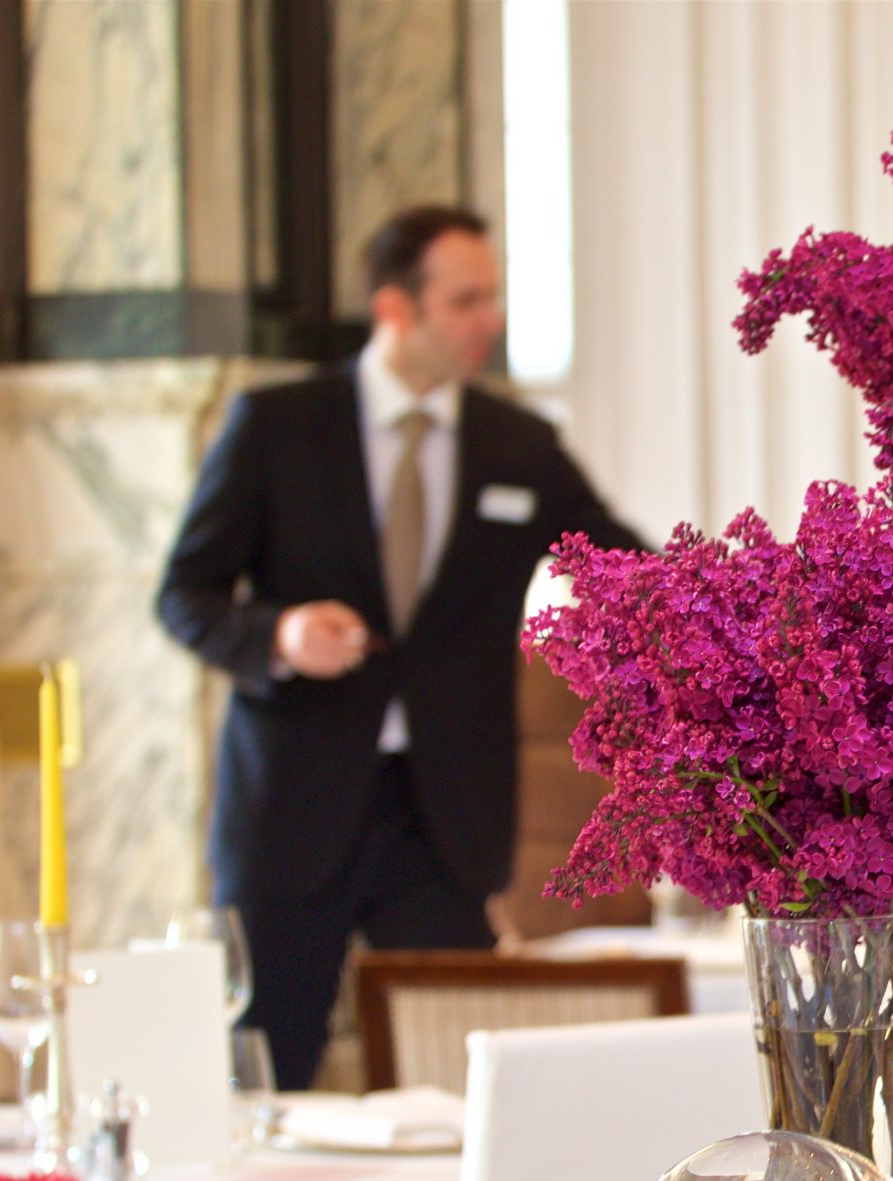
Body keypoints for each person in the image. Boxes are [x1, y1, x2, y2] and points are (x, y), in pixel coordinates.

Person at [158, 205, 643, 1089]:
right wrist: (278, 634)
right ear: (394, 306)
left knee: (452, 1081)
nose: (489, 320)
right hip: (291, 808)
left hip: (445, 819)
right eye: (465, 300)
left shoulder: (519, 445)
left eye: (492, 297)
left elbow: (628, 566)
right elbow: (183, 595)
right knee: (264, 1076)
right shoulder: (275, 426)